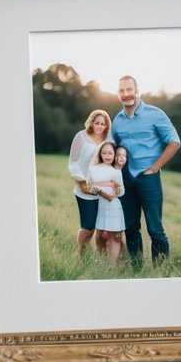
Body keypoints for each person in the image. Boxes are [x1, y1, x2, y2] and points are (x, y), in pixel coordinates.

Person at [111, 75, 180, 264]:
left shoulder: (155, 113)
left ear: (137, 90)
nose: (126, 94)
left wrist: (154, 168)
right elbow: (110, 147)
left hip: (149, 178)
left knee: (155, 228)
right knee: (131, 227)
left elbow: (174, 142)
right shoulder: (117, 120)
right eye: (121, 91)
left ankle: (161, 270)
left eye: (129, 89)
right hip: (126, 179)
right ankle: (136, 270)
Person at [67, 109, 111, 255]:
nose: (99, 126)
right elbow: (73, 162)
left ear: (106, 126)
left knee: (103, 227)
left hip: (103, 189)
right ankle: (80, 252)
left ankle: (102, 257)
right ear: (91, 122)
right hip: (85, 188)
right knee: (88, 226)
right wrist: (82, 183)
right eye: (97, 122)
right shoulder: (81, 136)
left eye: (103, 124)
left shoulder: (108, 139)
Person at [86, 141, 126, 266]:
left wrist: (117, 190)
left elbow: (122, 191)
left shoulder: (116, 171)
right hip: (100, 205)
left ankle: (113, 265)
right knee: (101, 233)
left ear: (114, 155)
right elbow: (90, 187)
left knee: (113, 235)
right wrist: (98, 190)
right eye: (104, 153)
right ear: (100, 154)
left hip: (113, 205)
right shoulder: (93, 169)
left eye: (110, 153)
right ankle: (102, 261)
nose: (107, 156)